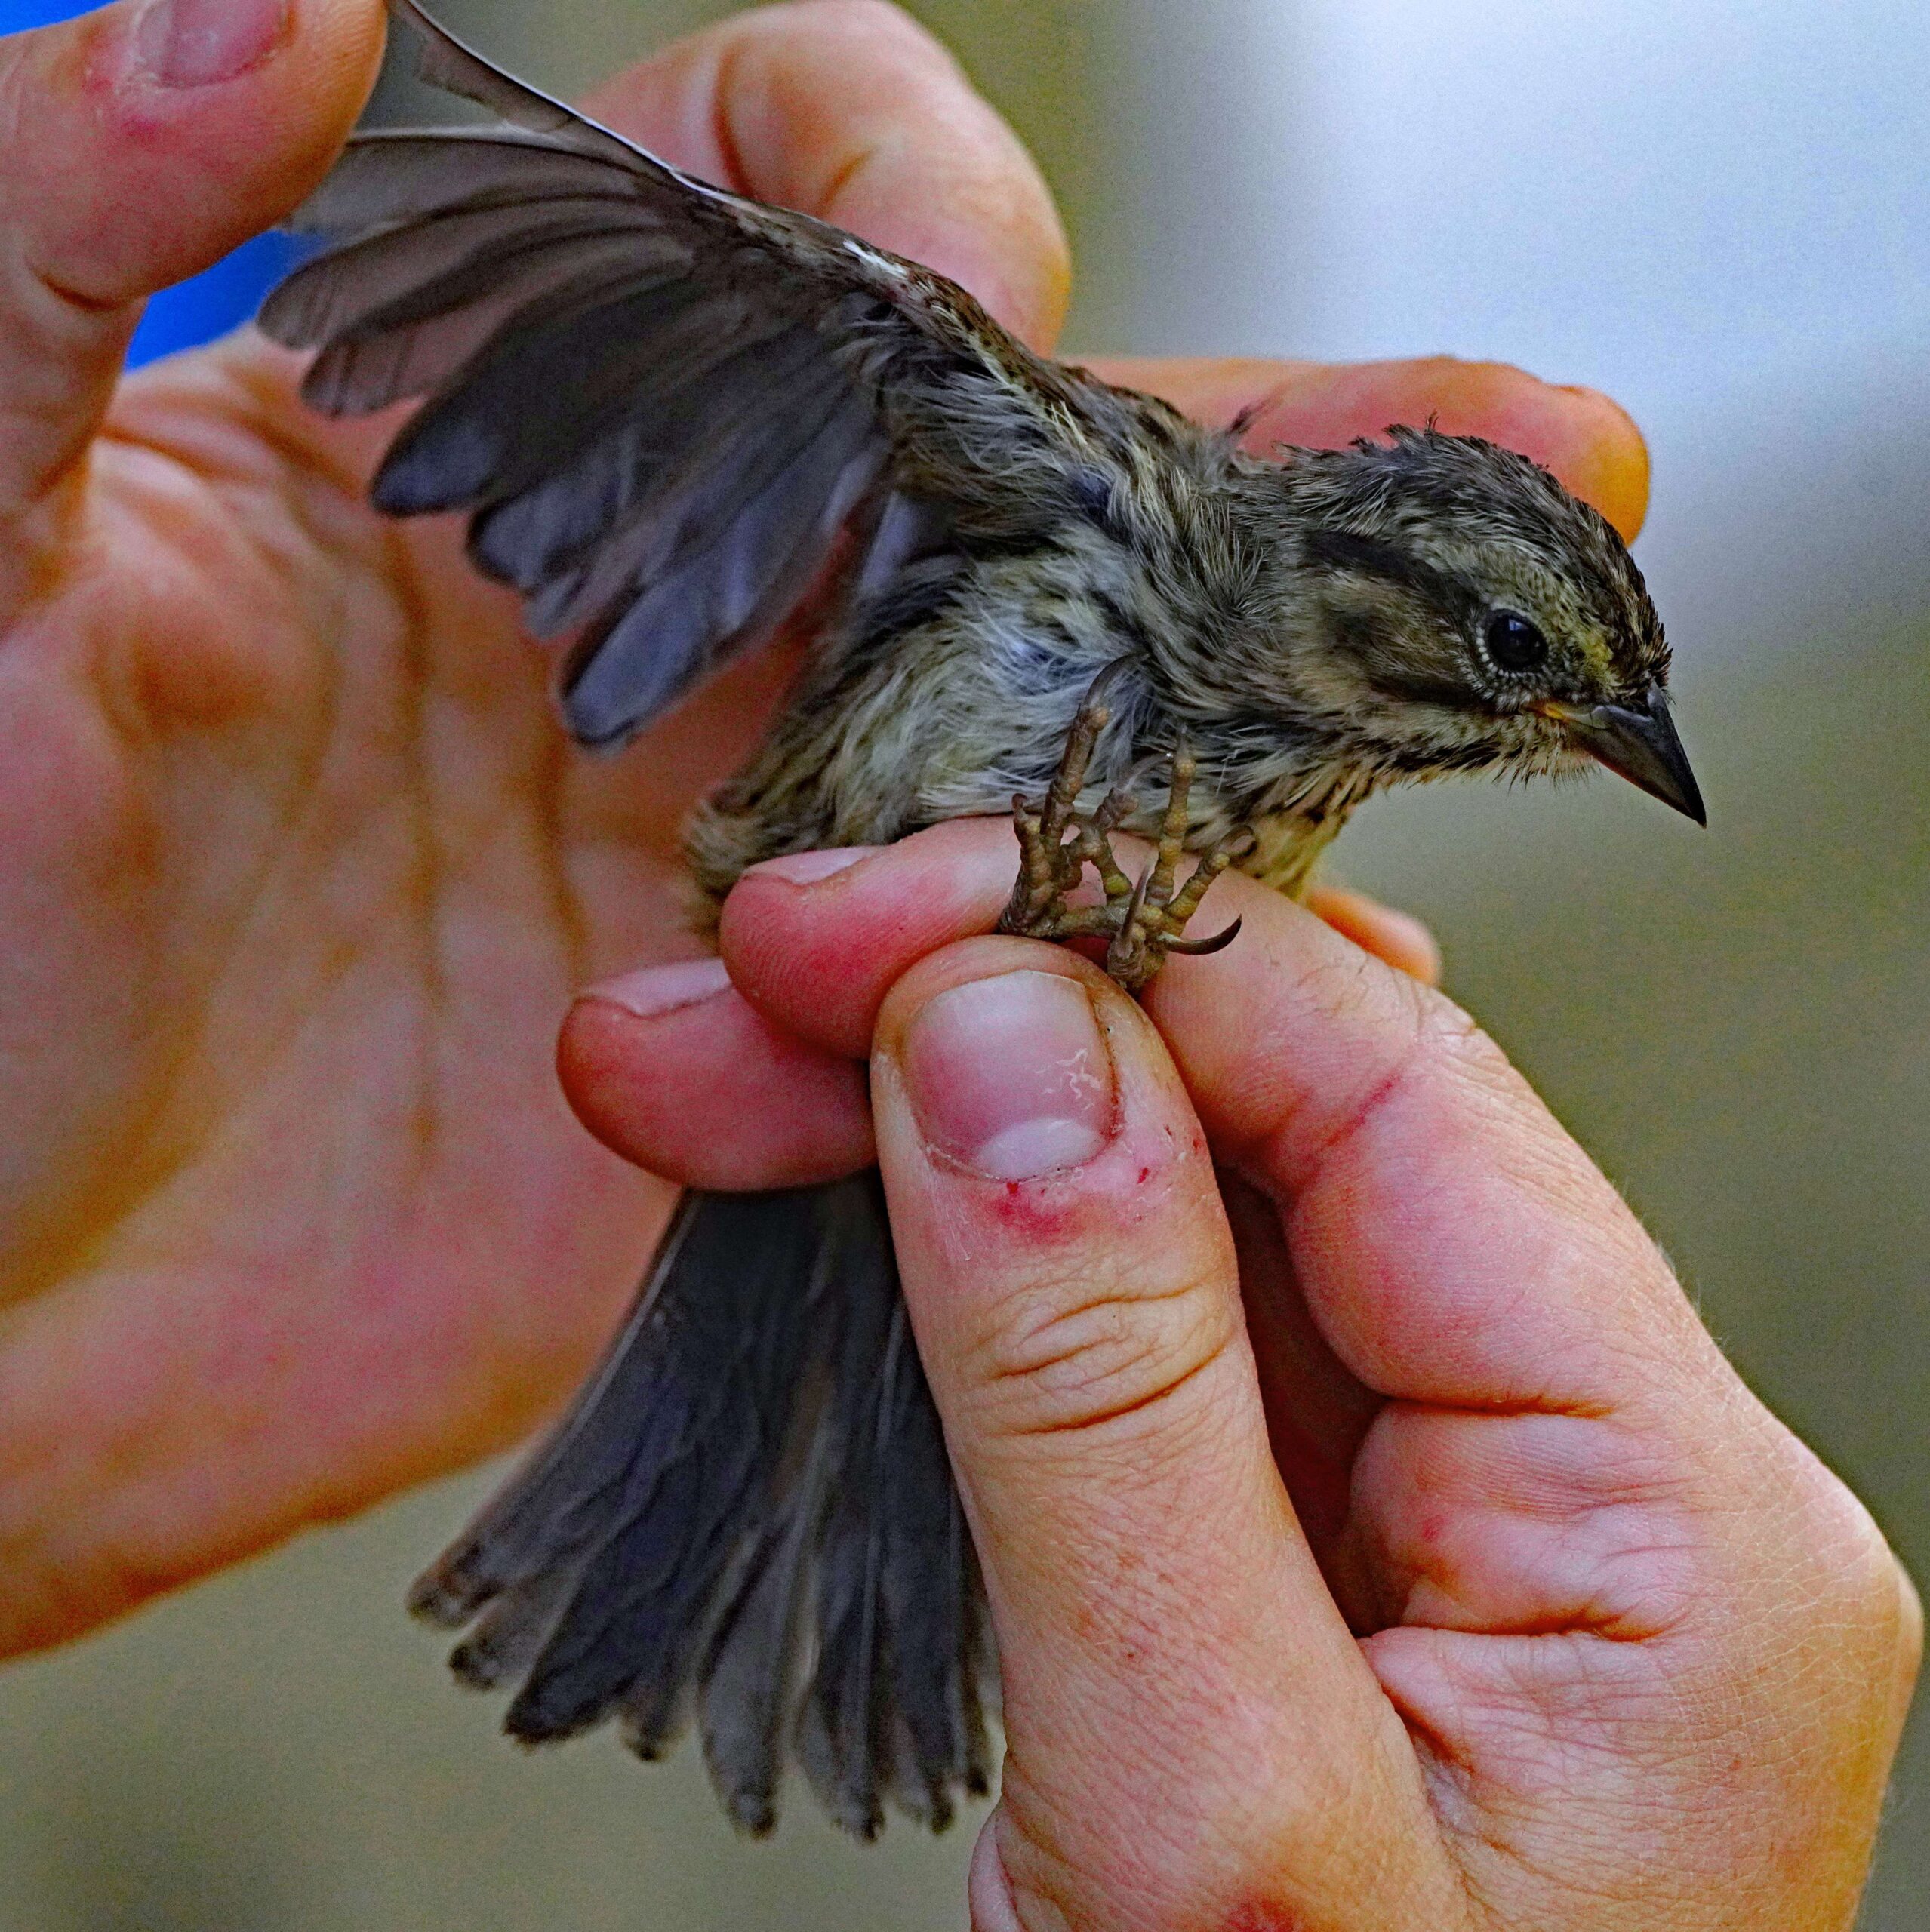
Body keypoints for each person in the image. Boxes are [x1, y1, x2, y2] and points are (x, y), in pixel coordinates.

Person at [0, 1, 1913, 1925]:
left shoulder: (1316, 755)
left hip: (929, 1133)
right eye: (1515, 664)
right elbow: (737, 277)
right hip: (818, 981)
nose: (1566, 729)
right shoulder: (1087, 497)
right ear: (1361, 597)